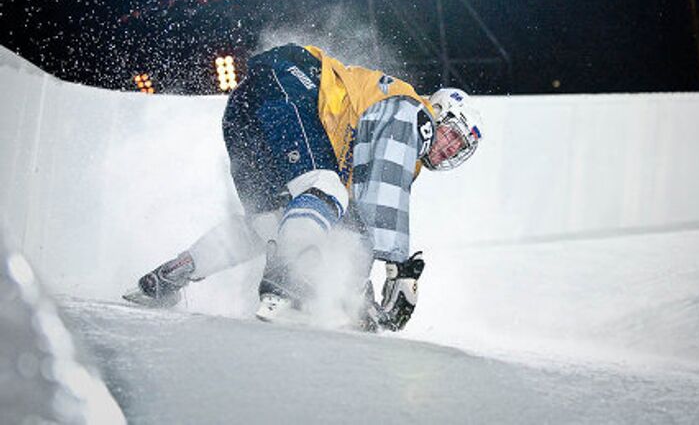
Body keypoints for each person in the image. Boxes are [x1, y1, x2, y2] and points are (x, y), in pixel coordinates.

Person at [123, 44, 483, 331]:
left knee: (275, 220)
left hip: (247, 109)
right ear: (438, 113)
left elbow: (351, 225)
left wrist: (358, 303)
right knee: (325, 187)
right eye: (453, 133)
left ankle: (171, 276)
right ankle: (283, 281)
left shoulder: (391, 145)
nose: (450, 147)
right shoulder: (413, 112)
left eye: (459, 147)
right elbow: (381, 200)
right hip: (292, 84)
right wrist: (399, 268)